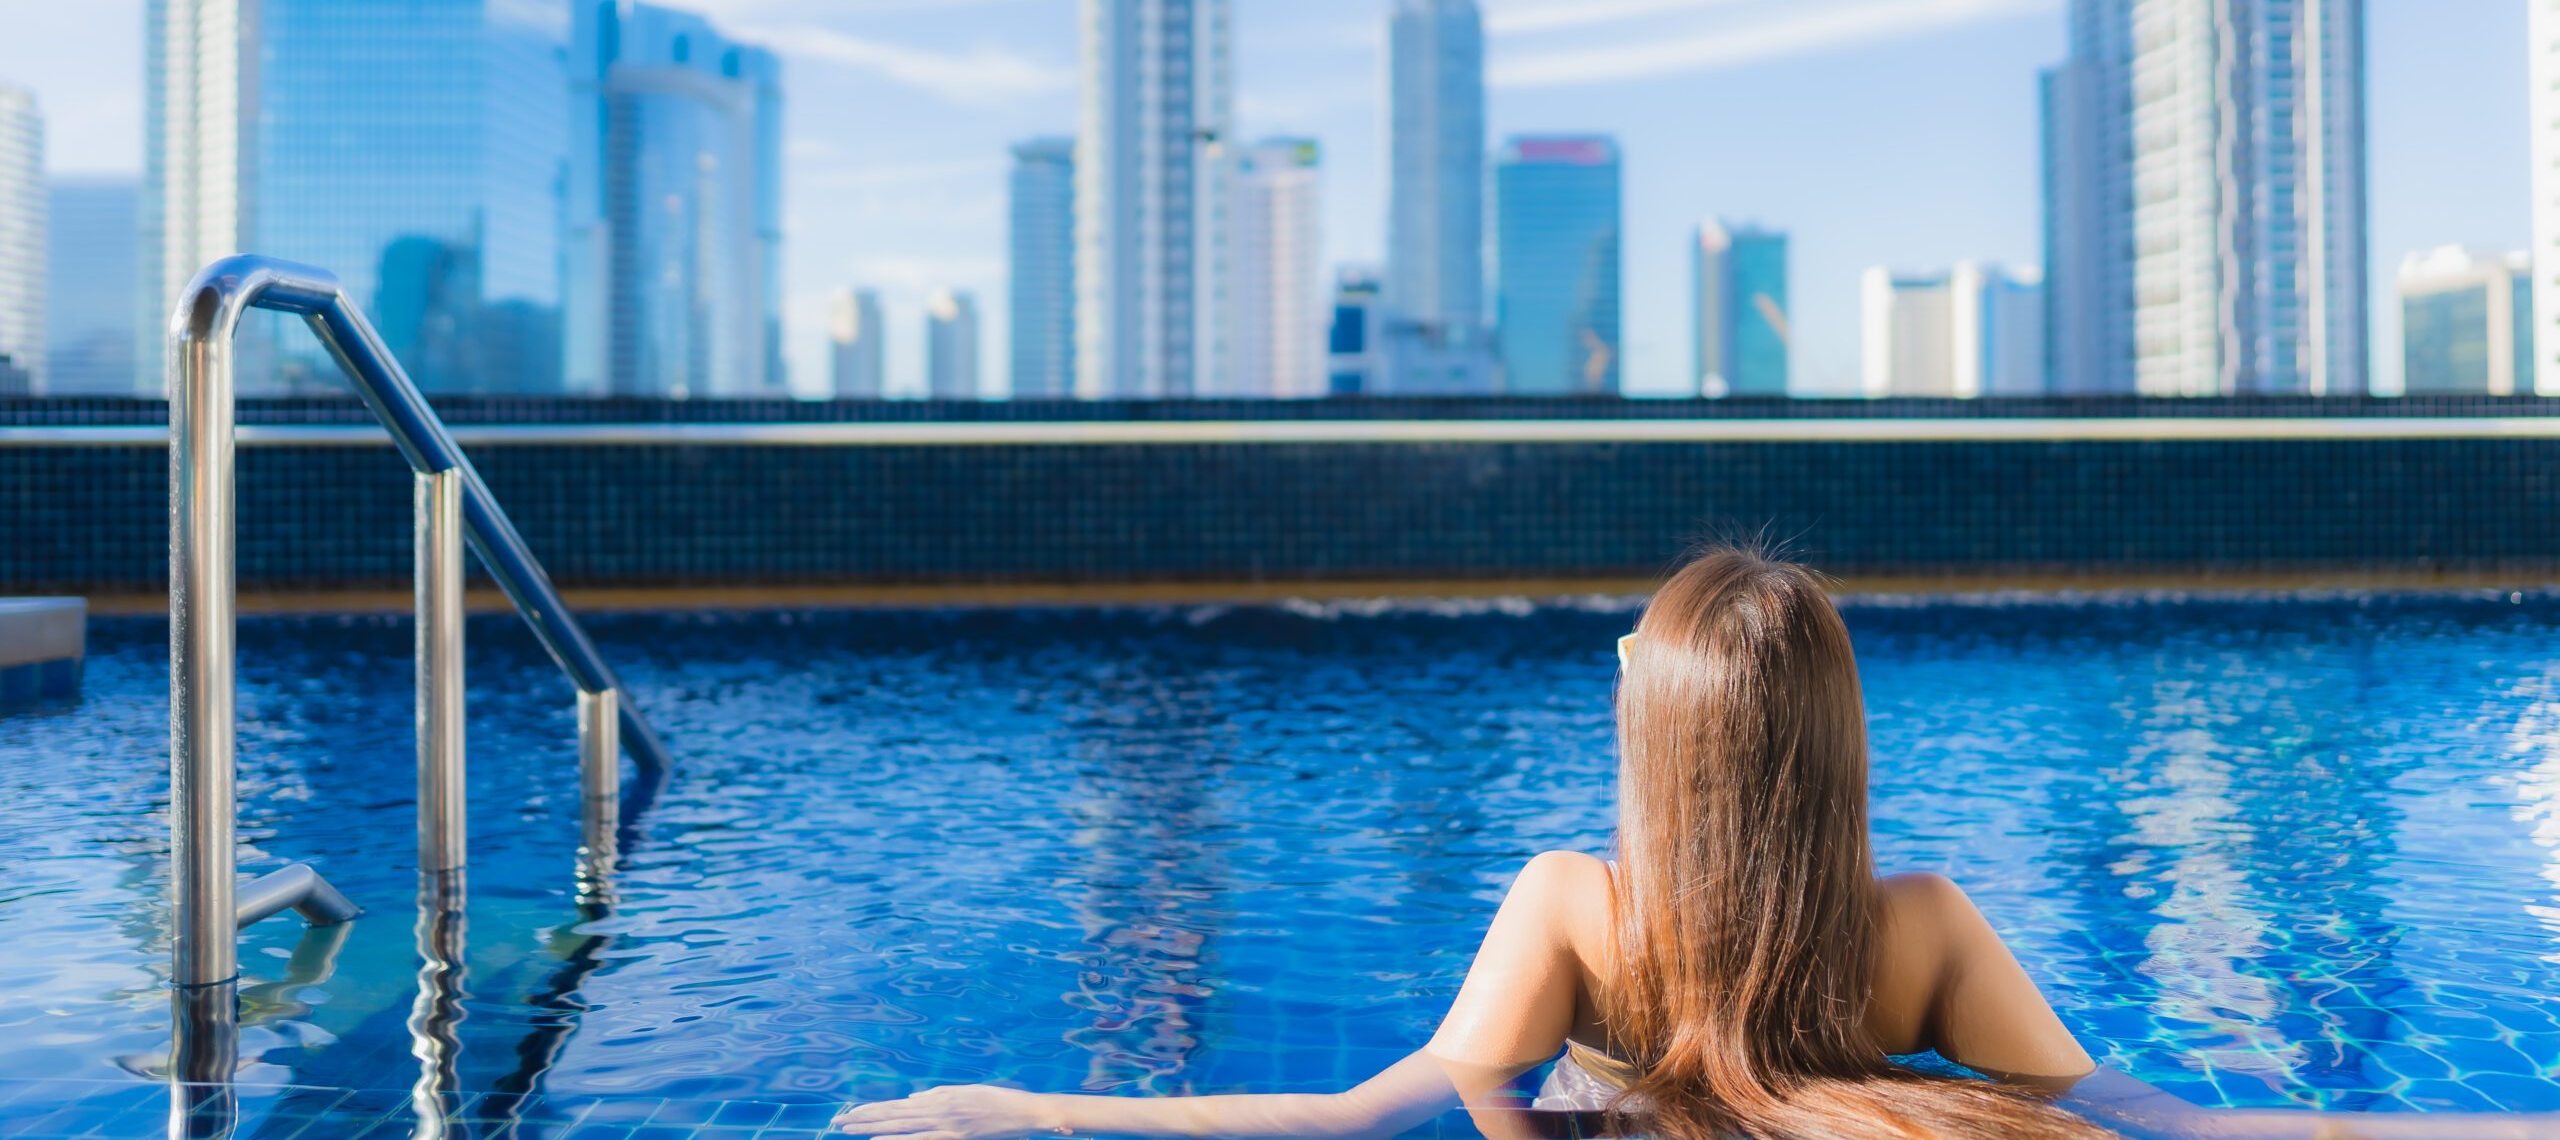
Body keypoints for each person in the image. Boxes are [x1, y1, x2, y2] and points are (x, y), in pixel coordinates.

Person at [837, 549, 2549, 1140]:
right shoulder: (1921, 926)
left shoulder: (1571, 903)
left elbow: (1357, 1112)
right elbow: (2169, 1120)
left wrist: (1020, 1108)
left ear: (1657, 729)